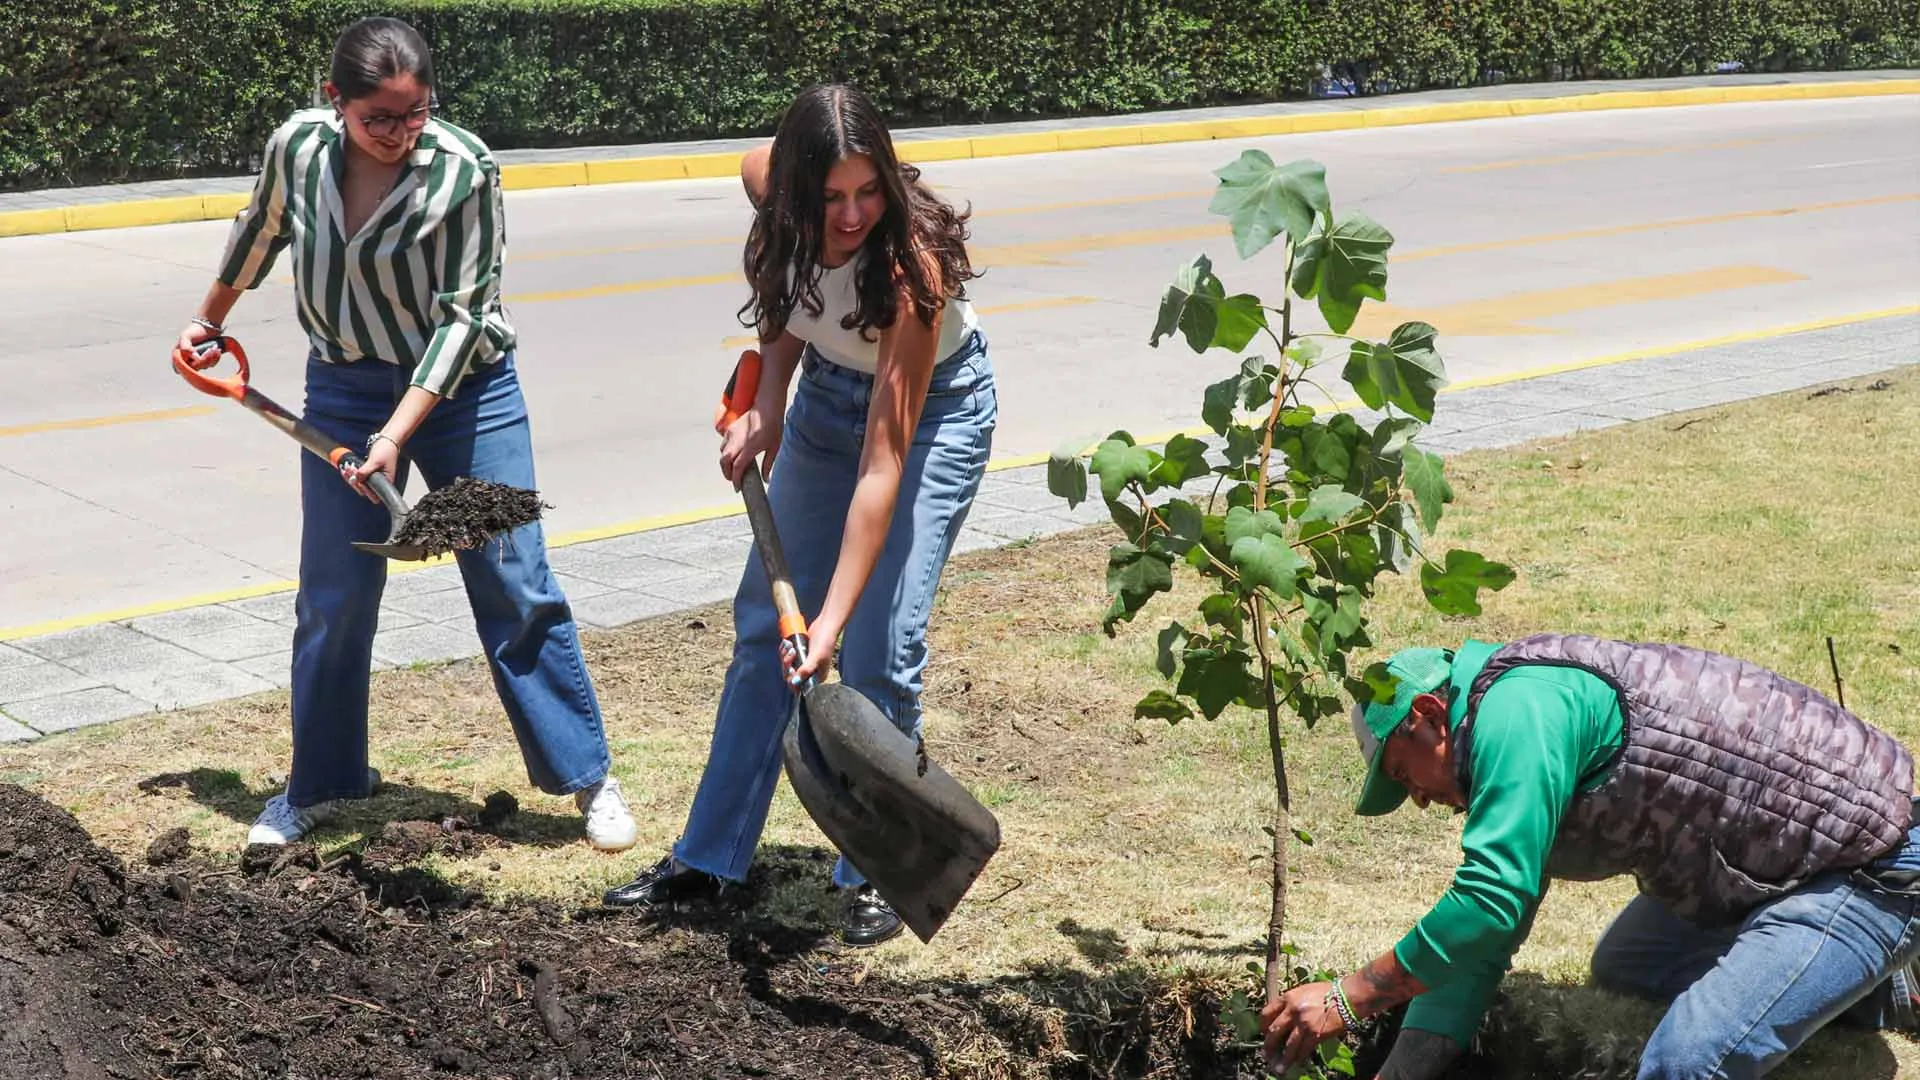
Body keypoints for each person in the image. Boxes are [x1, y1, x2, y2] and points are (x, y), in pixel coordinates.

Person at [174, 17, 635, 853]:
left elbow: (464, 319)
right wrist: (209, 322)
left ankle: (587, 777)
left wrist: (394, 434)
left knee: (513, 580)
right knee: (334, 595)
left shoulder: (464, 170)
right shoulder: (297, 148)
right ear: (335, 101)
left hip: (466, 394)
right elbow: (260, 229)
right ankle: (322, 782)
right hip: (344, 387)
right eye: (378, 118)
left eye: (415, 112)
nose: (398, 133)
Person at [601, 84, 997, 947]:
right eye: (830, 197)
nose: (852, 215)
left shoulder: (911, 271)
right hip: (823, 397)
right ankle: (709, 860)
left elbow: (883, 469)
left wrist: (831, 623)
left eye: (869, 191)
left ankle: (876, 874)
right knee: (762, 636)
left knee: (880, 646)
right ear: (792, 190)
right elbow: (787, 290)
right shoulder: (766, 180)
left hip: (933, 417)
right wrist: (769, 404)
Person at [1257, 633, 1920, 1079]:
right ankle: (1872, 988)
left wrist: (1350, 998)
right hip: (1765, 869)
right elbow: (1481, 943)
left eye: (1406, 776)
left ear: (1431, 714)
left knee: (1686, 1061)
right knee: (1628, 968)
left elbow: (1489, 902)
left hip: (1867, 865)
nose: (1421, 800)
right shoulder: (1508, 717)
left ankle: (1879, 965)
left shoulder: (1520, 713)